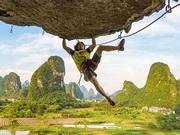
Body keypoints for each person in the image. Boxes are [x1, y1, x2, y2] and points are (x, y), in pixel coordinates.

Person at [62, 38, 125, 106]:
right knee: (95, 82)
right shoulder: (73, 53)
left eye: (82, 44)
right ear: (76, 47)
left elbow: (94, 44)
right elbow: (65, 47)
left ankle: (119, 47)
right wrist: (64, 37)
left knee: (100, 47)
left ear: (84, 46)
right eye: (79, 44)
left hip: (92, 63)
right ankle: (108, 98)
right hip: (85, 68)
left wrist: (93, 35)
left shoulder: (87, 51)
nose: (81, 45)